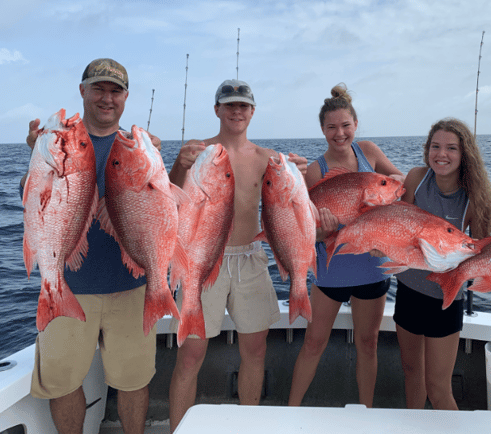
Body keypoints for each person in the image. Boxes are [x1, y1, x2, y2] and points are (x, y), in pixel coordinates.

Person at [20, 58, 160, 434]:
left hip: (132, 286)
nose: (106, 98)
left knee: (134, 380)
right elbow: (30, 198)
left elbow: (164, 212)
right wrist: (36, 155)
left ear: (126, 98)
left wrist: (165, 165)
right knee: (63, 382)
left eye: (115, 91)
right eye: (98, 88)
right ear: (82, 90)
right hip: (70, 286)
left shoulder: (139, 147)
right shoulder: (60, 142)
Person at [167, 79, 307, 432]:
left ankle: (248, 426)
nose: (236, 111)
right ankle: (177, 429)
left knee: (255, 352)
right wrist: (179, 167)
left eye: (243, 105)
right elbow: (168, 201)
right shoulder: (197, 153)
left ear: (252, 112)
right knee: (191, 355)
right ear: (217, 110)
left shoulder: (267, 158)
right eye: (229, 105)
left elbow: (293, 208)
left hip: (251, 259)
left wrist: (300, 174)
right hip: (203, 258)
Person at [288, 83, 404, 408]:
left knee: (368, 343)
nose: (339, 133)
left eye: (345, 126)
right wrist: (322, 229)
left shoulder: (369, 151)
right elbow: (306, 234)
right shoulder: (314, 170)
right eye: (331, 127)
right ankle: (290, 410)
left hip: (372, 268)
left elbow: (401, 185)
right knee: (313, 342)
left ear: (355, 124)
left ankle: (365, 411)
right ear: (322, 130)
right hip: (331, 271)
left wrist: (382, 208)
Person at [393, 118, 491, 409]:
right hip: (408, 290)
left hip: (445, 299)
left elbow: (483, 253)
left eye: (452, 148)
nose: (442, 154)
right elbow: (398, 227)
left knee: (438, 388)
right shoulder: (415, 178)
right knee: (411, 373)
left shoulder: (475, 198)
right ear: (427, 149)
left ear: (465, 155)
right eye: (435, 146)